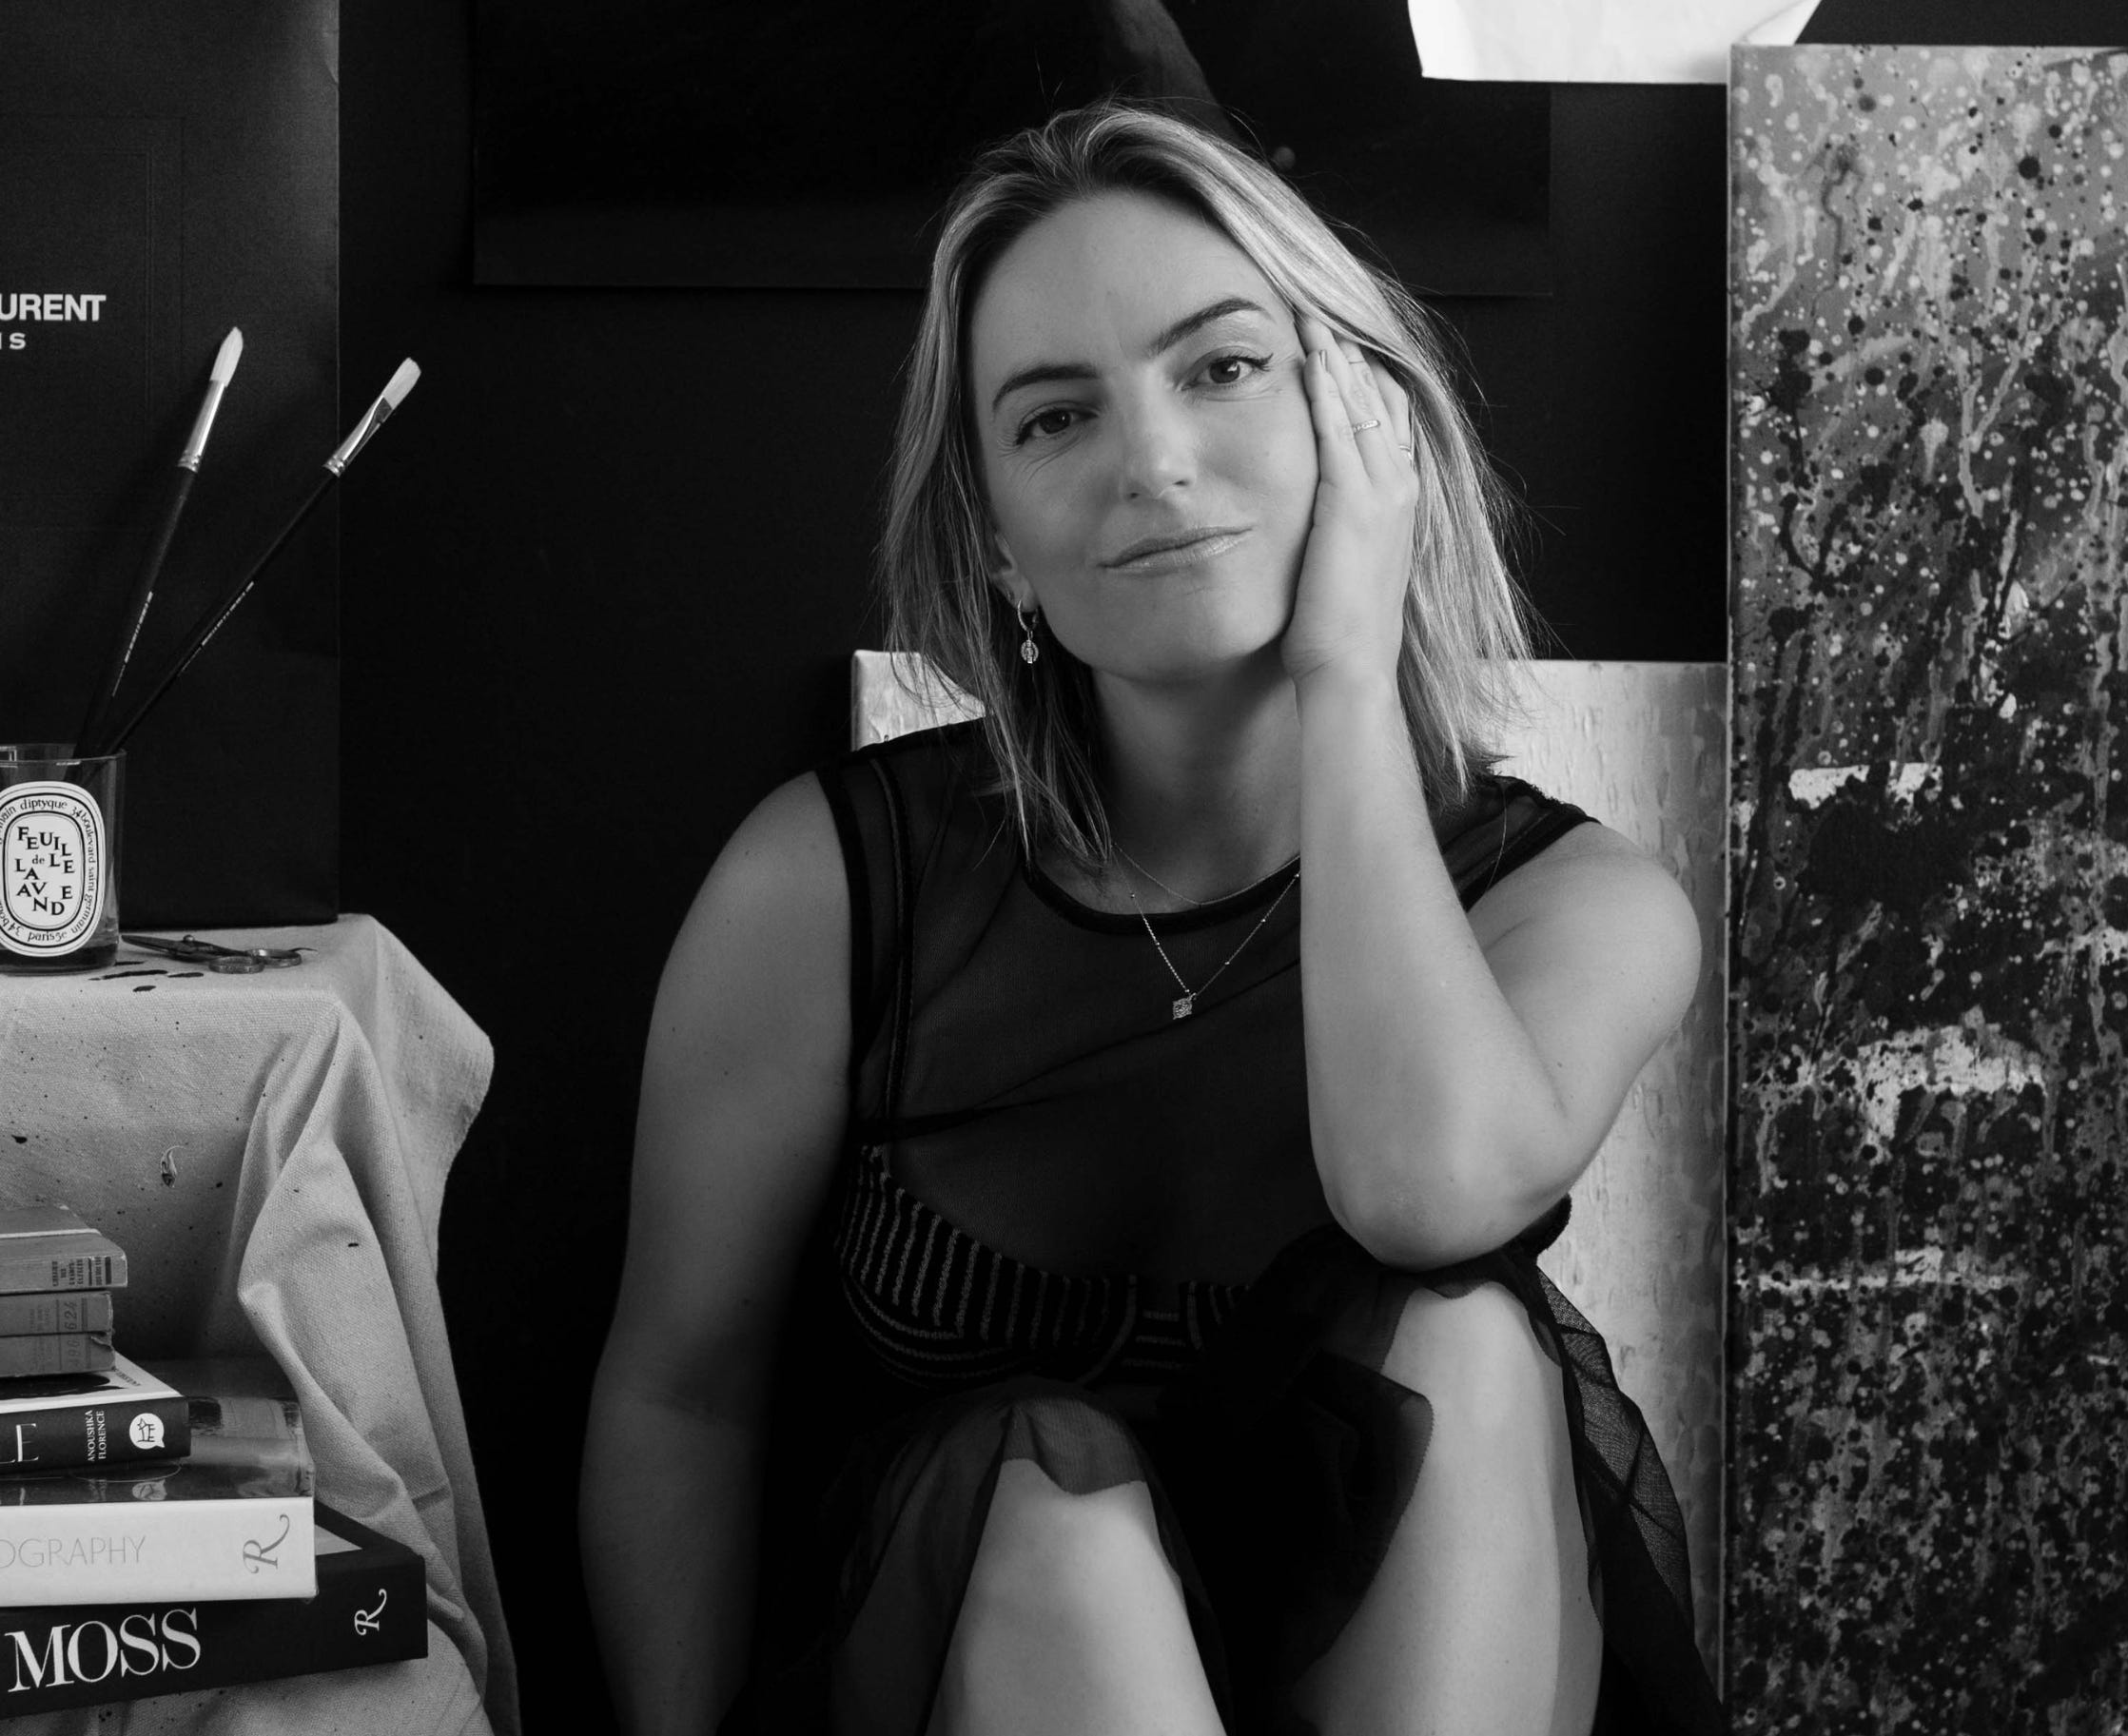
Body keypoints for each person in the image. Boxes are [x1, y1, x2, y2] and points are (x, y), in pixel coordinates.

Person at [580, 102, 1723, 1736]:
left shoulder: (1581, 903)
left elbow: (1422, 1195)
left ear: (1367, 427)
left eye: (1224, 367)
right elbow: (678, 1401)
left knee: (1463, 1331)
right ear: (998, 542)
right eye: (1055, 418)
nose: (1153, 461)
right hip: (973, 1666)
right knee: (1049, 1497)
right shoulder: (824, 885)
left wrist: (1344, 677)